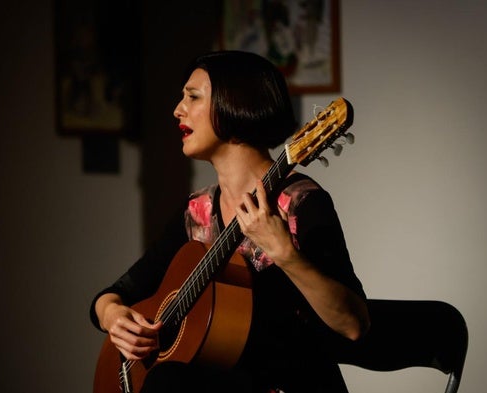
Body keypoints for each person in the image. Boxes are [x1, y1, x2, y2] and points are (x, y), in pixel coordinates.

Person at [90, 50, 371, 393]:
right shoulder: (198, 212)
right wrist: (113, 317)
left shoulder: (300, 203)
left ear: (235, 104)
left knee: (169, 382)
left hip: (292, 385)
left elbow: (353, 324)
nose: (177, 109)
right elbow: (114, 294)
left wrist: (286, 255)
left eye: (192, 97)